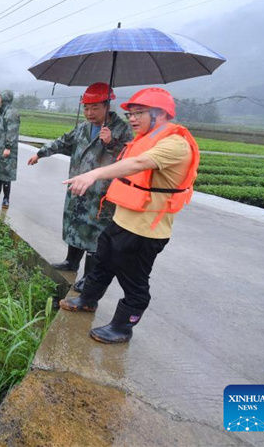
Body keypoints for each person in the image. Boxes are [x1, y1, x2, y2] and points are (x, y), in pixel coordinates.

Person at [59, 87, 200, 344]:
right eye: (131, 113)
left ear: (160, 114)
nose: (132, 119)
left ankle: (124, 326)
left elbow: (136, 164)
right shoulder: (143, 138)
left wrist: (92, 175)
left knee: (134, 282)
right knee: (101, 264)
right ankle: (88, 300)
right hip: (121, 220)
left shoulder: (175, 144)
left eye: (139, 113)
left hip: (145, 230)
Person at [28, 83, 133, 291]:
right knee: (75, 225)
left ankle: (89, 277)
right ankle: (71, 262)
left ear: (107, 106)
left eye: (95, 108)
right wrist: (40, 153)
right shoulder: (82, 128)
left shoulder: (121, 129)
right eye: (86, 108)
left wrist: (112, 143)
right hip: (77, 188)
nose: (89, 113)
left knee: (95, 235)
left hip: (100, 193)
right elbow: (62, 142)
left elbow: (130, 158)